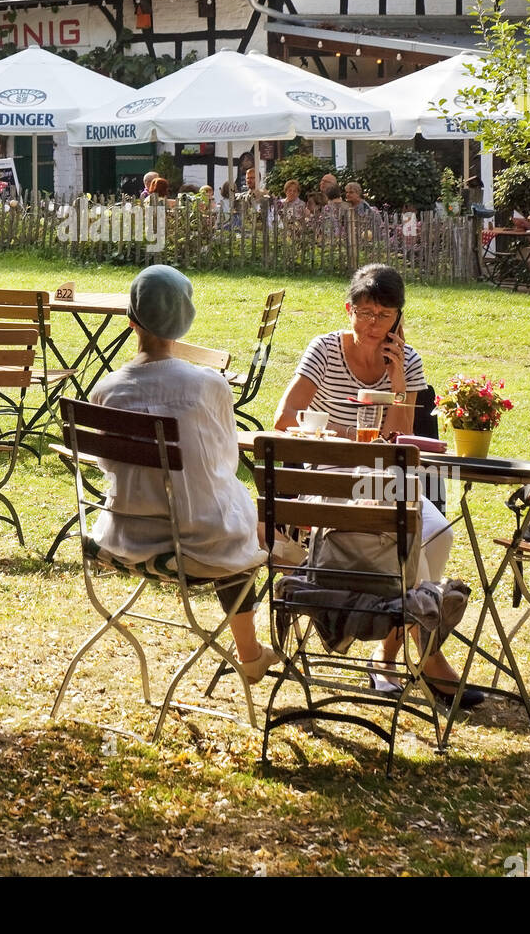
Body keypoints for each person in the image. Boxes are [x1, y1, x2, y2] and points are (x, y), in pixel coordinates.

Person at [272, 263, 484, 708]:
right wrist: (346, 441)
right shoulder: (325, 350)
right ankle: (426, 655)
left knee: (437, 532)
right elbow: (284, 418)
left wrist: (399, 381)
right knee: (402, 535)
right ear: (348, 309)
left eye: (385, 315)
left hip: (386, 480)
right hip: (330, 477)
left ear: (398, 319)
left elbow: (400, 439)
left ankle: (388, 654)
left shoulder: (407, 360)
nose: (373, 324)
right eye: (365, 313)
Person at [89, 265, 277, 682]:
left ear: (131, 320)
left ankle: (250, 653)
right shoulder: (208, 385)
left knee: (232, 523)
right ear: (186, 321)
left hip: (121, 538)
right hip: (194, 546)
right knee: (240, 525)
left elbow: (106, 466)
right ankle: (250, 649)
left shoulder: (104, 390)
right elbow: (225, 462)